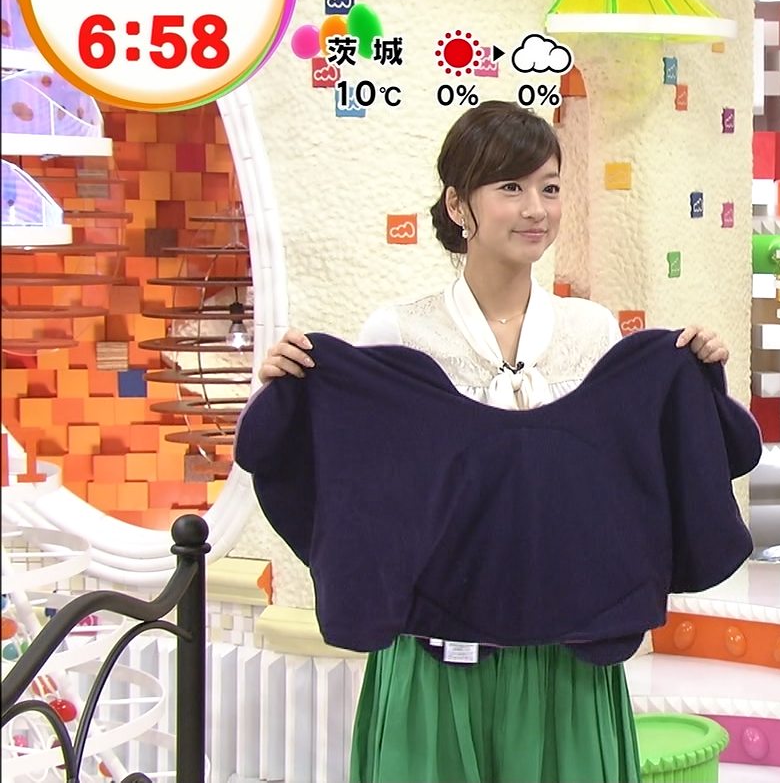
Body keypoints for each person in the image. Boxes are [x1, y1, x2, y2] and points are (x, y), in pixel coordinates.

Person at [255, 101, 732, 783]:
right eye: (511, 186)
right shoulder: (399, 333)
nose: (536, 208)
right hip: (433, 660)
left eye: (549, 187)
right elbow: (350, 486)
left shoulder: (593, 332)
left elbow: (628, 481)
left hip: (569, 656)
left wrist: (699, 372)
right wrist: (288, 389)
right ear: (458, 204)